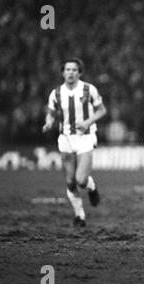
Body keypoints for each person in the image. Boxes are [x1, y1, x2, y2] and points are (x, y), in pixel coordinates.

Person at [42, 58, 107, 227]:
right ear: (63, 72)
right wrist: (49, 121)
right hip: (65, 139)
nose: (70, 72)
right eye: (67, 69)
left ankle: (91, 187)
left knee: (81, 179)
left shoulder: (88, 89)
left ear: (79, 73)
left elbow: (102, 110)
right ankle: (80, 216)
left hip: (85, 137)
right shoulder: (56, 93)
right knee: (70, 182)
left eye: (74, 70)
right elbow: (51, 112)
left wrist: (87, 122)